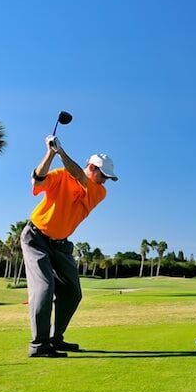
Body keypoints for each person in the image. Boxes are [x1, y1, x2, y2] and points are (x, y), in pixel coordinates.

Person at [20, 134, 117, 358]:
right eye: (104, 176)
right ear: (92, 167)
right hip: (36, 238)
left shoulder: (98, 191)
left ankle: (56, 339)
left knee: (73, 293)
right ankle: (39, 345)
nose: (105, 181)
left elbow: (79, 178)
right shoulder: (61, 175)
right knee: (44, 289)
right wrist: (50, 153)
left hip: (61, 245)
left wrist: (61, 152)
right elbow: (37, 181)